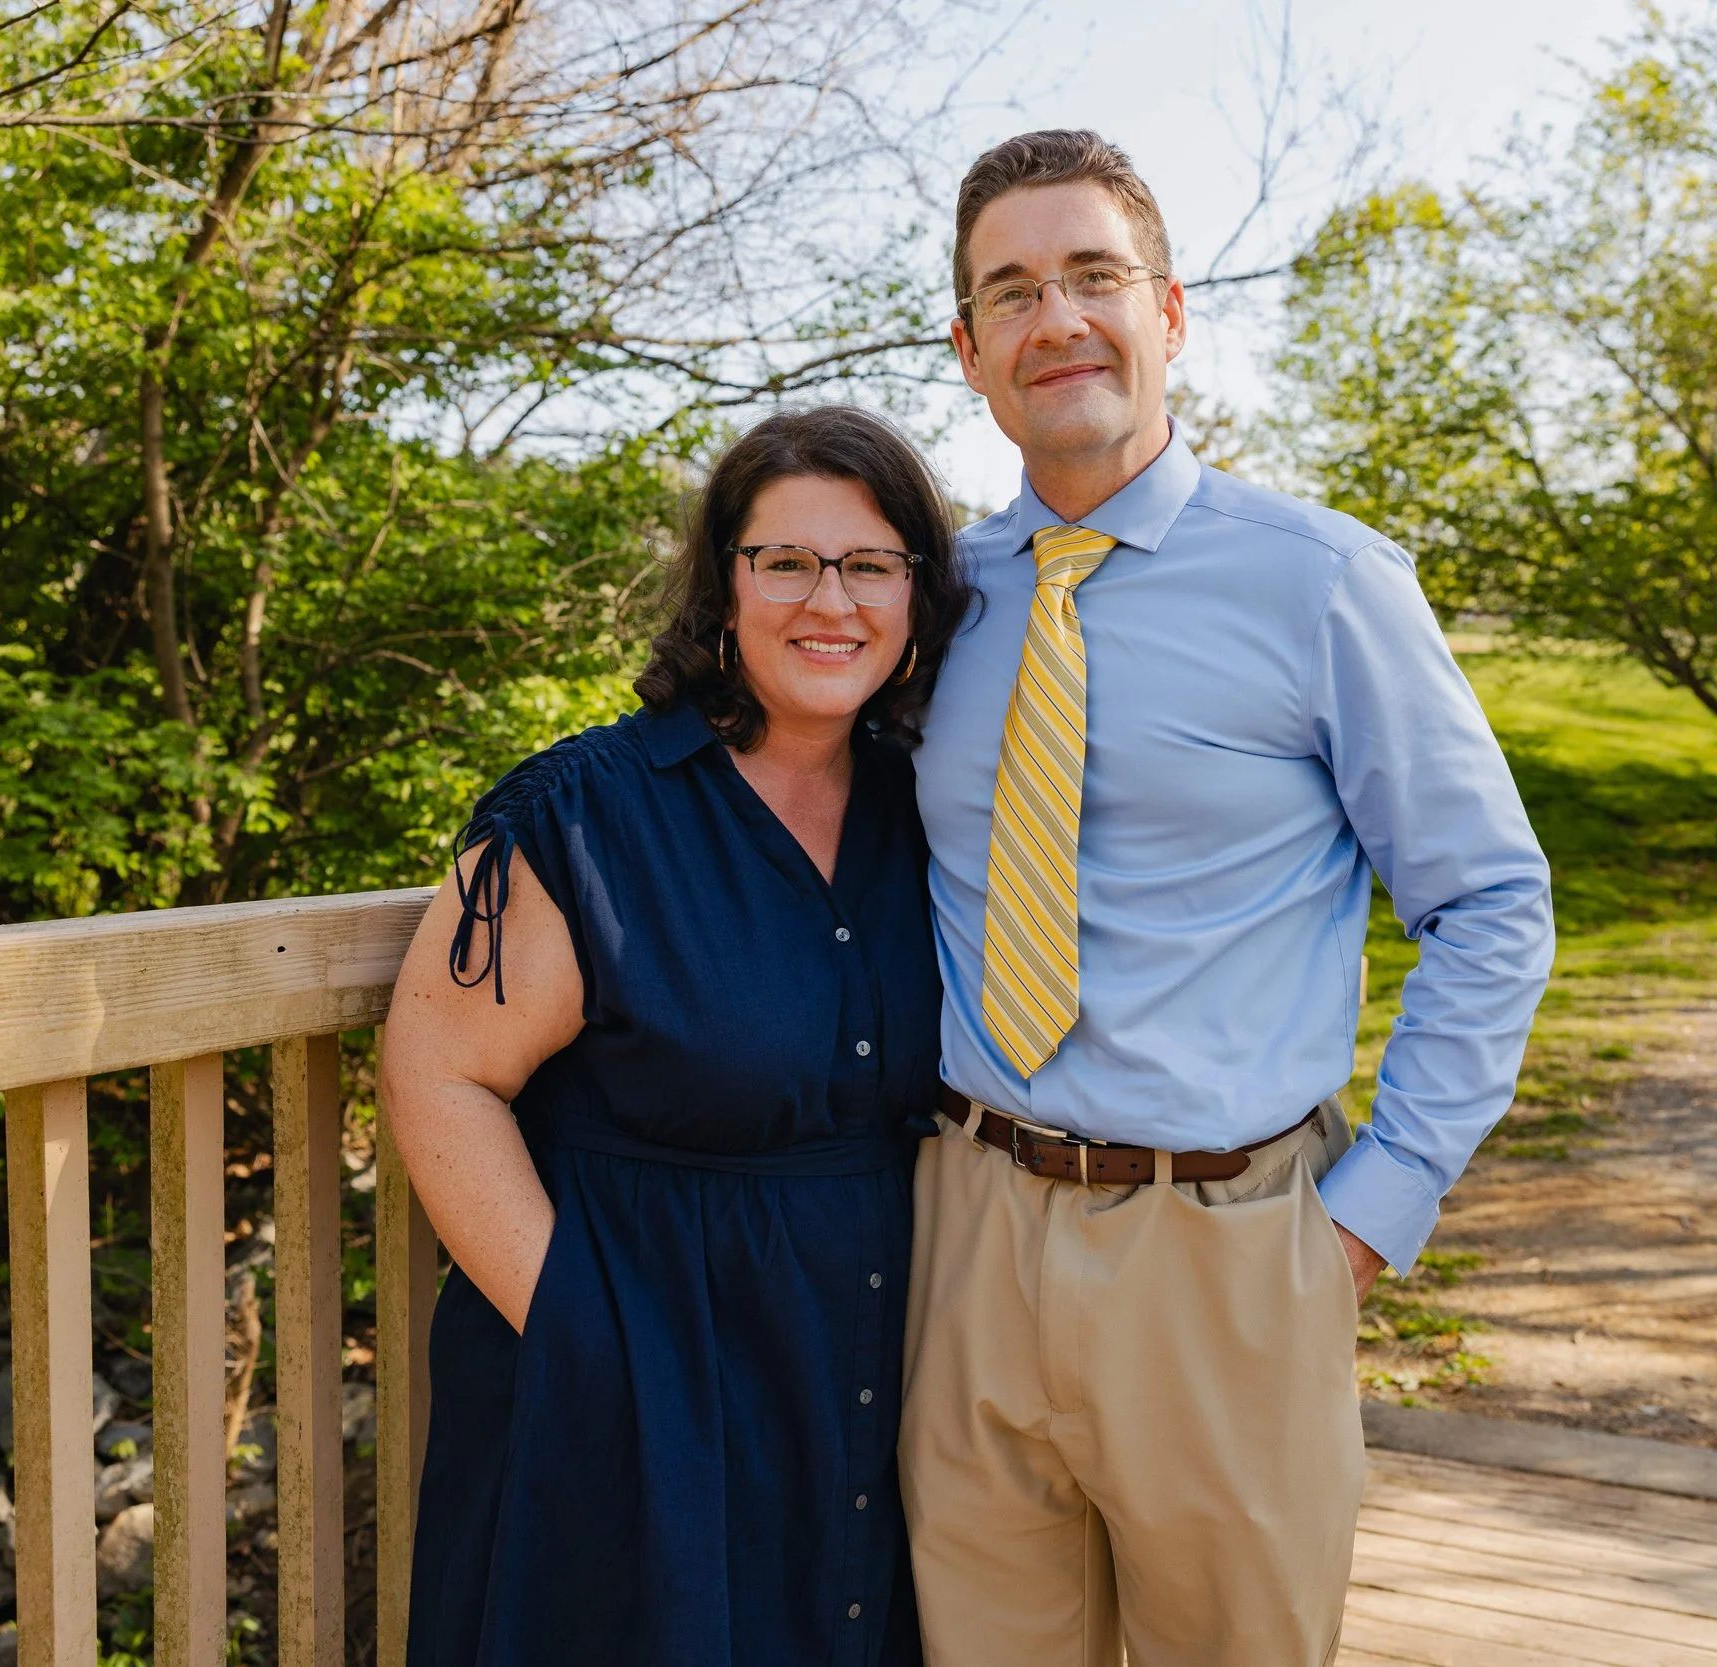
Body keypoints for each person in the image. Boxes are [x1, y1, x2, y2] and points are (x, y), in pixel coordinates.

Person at [901, 129, 1557, 1667]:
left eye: (1093, 275)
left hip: (1228, 1245)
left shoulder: (1323, 580)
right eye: (1011, 289)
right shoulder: (926, 599)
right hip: (966, 1225)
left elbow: (1489, 904)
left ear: (1170, 312)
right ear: (970, 349)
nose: (1055, 316)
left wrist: (1371, 1212)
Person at [380, 405, 972, 1666]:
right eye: (787, 562)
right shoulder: (587, 814)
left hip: (859, 1377)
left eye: (871, 564)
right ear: (725, 584)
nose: (832, 599)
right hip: (634, 1375)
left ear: (917, 593)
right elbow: (440, 1074)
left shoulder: (929, 811)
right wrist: (589, 1332)